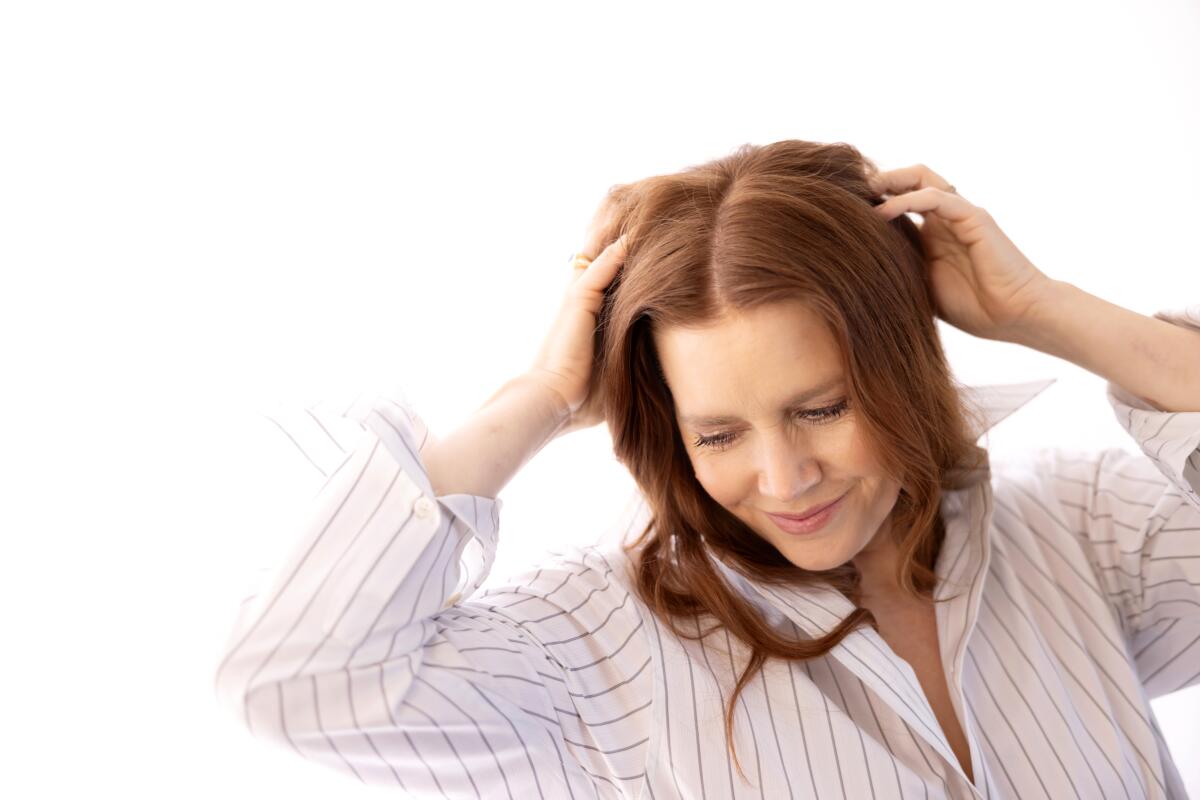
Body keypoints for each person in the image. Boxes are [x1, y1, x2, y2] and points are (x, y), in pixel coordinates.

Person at [213, 140, 1200, 799]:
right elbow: (293, 681)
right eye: (720, 432)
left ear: (903, 368)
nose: (784, 477)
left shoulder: (1083, 530)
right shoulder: (599, 645)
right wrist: (543, 393)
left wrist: (1043, 309)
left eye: (822, 408)